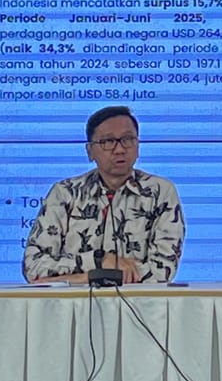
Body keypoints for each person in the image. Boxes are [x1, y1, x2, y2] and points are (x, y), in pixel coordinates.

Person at [22, 105, 186, 284]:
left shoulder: (160, 192)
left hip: (138, 301)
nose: (120, 149)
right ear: (90, 151)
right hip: (74, 302)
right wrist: (98, 260)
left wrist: (83, 277)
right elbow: (33, 267)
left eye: (128, 139)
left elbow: (161, 272)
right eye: (108, 141)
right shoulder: (65, 193)